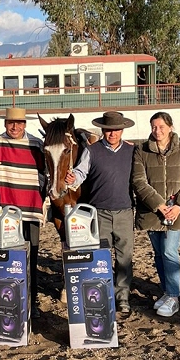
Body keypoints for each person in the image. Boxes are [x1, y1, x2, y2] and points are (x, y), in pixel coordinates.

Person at [64, 110, 136, 315]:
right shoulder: (92, 150)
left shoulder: (132, 151)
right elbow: (81, 171)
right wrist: (73, 179)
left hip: (124, 210)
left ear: (122, 131)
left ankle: (122, 296)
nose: (112, 134)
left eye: (115, 130)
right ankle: (103, 293)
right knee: (100, 256)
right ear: (103, 130)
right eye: (108, 130)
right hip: (100, 211)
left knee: (125, 257)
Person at [131, 111, 180, 317]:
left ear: (170, 127)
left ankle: (173, 295)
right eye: (154, 127)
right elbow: (139, 182)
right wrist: (159, 205)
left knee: (170, 251)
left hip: (176, 213)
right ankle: (166, 291)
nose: (157, 131)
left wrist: (178, 206)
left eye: (161, 127)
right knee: (159, 253)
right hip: (153, 212)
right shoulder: (141, 150)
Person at [0, 107, 46, 318]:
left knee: (32, 258)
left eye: (19, 123)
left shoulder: (37, 145)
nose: (15, 127)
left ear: (25, 124)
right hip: (5, 215)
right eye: (11, 123)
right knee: (8, 258)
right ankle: (9, 300)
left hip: (31, 211)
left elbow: (49, 173)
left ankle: (32, 299)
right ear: (5, 124)